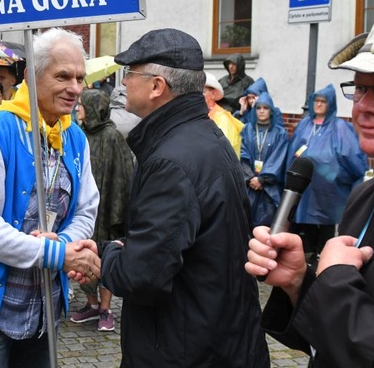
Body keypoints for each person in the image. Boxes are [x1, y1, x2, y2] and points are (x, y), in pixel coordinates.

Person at [101, 28, 269, 367]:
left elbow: (142, 277)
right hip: (216, 337)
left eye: (129, 74)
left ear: (156, 86)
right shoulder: (203, 136)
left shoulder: (171, 161)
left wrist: (107, 256)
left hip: (184, 348)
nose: (123, 84)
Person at [0, 27, 101, 367]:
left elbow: (86, 210)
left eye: (79, 77)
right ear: (32, 75)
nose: (75, 88)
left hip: (44, 309)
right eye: (63, 76)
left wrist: (64, 242)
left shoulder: (74, 137)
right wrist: (57, 254)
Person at [245, 18, 374, 366]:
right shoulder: (365, 198)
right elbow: (332, 342)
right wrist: (299, 282)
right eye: (360, 89)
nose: (363, 106)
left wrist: (335, 279)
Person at [70, 89, 133, 332]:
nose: (78, 109)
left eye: (82, 105)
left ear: (94, 108)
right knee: (83, 254)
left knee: (104, 256)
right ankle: (92, 304)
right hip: (84, 209)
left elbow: (123, 175)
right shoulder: (80, 134)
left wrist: (117, 210)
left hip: (107, 208)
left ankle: (106, 308)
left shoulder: (112, 136)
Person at [287, 83, 367, 263]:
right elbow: (292, 151)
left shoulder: (339, 128)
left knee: (326, 230)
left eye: (323, 101)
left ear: (330, 104)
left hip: (328, 193)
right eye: (316, 100)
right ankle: (308, 259)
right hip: (306, 190)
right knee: (304, 227)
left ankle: (325, 260)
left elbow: (351, 157)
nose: (319, 105)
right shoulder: (305, 125)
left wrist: (327, 167)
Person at [239, 92, 289, 227]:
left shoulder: (280, 134)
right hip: (249, 186)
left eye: (265, 108)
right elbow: (241, 153)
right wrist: (250, 177)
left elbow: (279, 158)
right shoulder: (246, 130)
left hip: (269, 189)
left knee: (265, 226)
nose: (261, 111)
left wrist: (262, 179)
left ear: (271, 111)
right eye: (258, 108)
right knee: (245, 223)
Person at [203, 71, 244, 156]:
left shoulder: (223, 120)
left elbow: (224, 154)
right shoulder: (197, 114)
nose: (198, 95)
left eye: (202, 91)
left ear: (213, 94)